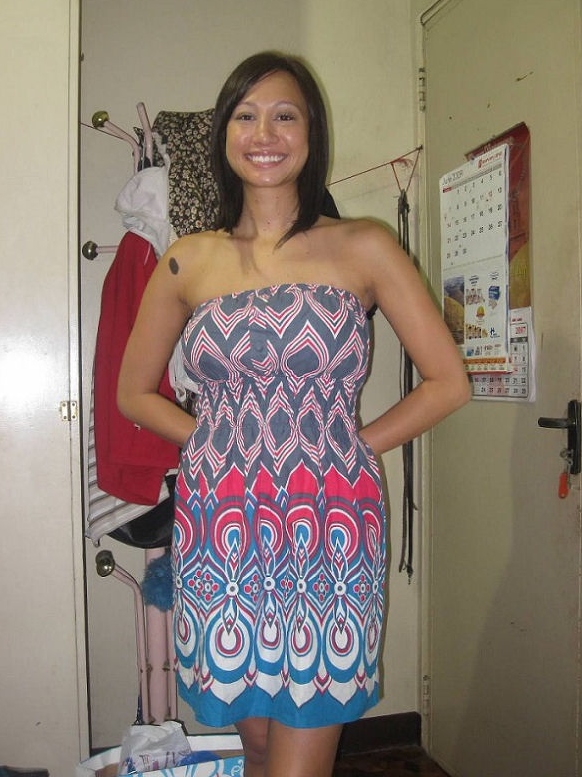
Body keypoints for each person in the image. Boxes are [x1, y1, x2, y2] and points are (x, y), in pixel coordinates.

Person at [117, 51, 470, 777]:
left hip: (331, 524)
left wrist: (350, 445)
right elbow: (133, 393)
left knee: (302, 746)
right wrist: (218, 441)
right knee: (255, 742)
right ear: (223, 134)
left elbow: (447, 382)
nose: (264, 133)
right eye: (245, 116)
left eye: (285, 115)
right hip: (222, 524)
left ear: (312, 133)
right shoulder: (188, 260)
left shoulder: (365, 246)